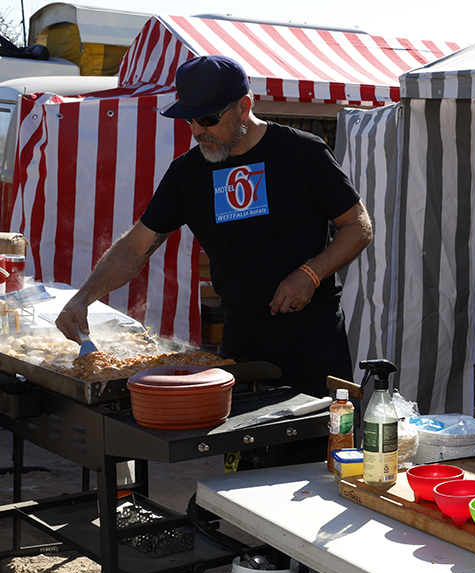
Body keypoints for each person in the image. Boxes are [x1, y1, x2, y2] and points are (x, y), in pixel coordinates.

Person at [55, 55, 372, 402]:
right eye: (189, 119)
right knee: (243, 450)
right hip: (241, 337)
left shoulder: (302, 152)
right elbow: (135, 247)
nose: (197, 130)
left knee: (322, 448)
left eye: (208, 118)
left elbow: (357, 226)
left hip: (311, 335)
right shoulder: (187, 173)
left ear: (244, 106)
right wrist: (82, 299)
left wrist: (310, 275)